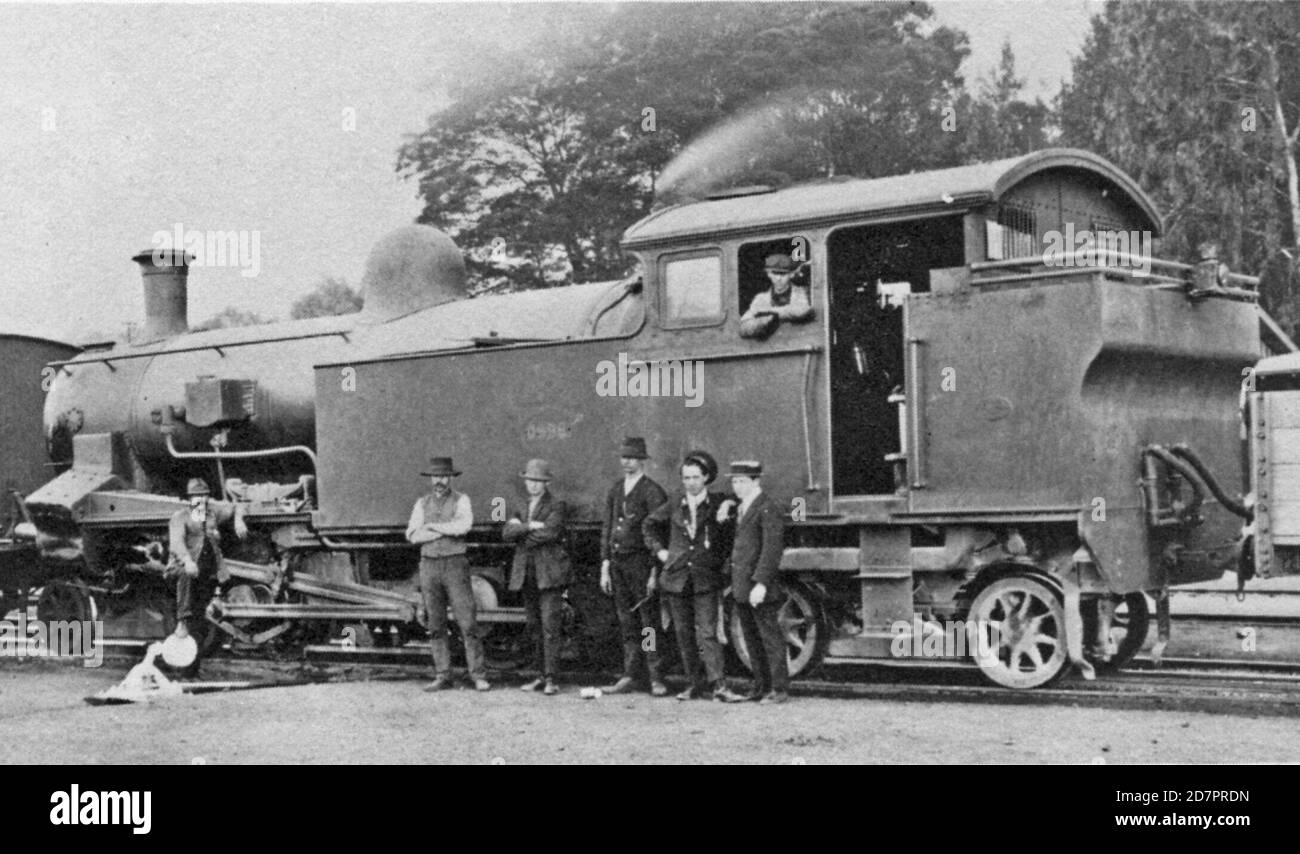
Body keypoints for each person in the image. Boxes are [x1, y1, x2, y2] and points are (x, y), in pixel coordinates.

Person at [643, 451, 747, 702]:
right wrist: (660, 551)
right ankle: (694, 684)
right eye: (686, 477)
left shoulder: (717, 501)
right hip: (676, 579)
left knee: (708, 633)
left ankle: (719, 685)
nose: (690, 482)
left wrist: (729, 504)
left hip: (704, 578)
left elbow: (740, 497)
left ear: (707, 478)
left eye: (696, 477)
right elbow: (649, 524)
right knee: (683, 633)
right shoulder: (674, 503)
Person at [405, 456, 489, 692]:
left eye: (443, 476)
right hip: (429, 566)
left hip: (455, 564)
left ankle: (478, 675)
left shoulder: (462, 500)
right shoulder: (421, 503)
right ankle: (443, 674)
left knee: (468, 622)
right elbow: (412, 534)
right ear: (431, 479)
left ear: (450, 478)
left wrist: (431, 527)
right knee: (436, 623)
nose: (439, 480)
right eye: (435, 476)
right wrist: (442, 531)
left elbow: (463, 526)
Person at [599, 437, 669, 696]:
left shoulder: (652, 491)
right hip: (618, 564)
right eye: (623, 458)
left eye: (632, 458)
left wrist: (653, 571)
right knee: (627, 622)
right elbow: (607, 529)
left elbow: (658, 533)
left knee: (648, 622)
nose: (626, 462)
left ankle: (656, 676)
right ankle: (630, 675)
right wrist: (605, 565)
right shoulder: (616, 489)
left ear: (642, 461)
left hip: (641, 565)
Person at [722, 460, 790, 704]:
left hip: (758, 587)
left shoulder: (767, 508)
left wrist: (760, 583)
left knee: (770, 639)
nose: (737, 486)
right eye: (735, 481)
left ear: (756, 481)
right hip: (743, 587)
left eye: (742, 481)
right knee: (752, 640)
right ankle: (761, 687)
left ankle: (779, 689)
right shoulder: (743, 507)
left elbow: (771, 550)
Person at [167, 477, 248, 676]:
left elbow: (236, 506)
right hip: (187, 572)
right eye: (196, 497)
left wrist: (238, 521)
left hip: (208, 575)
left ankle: (192, 669)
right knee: (187, 619)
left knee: (203, 621)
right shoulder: (180, 517)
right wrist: (187, 560)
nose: (200, 500)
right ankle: (184, 667)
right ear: (189, 499)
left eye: (203, 496)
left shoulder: (213, 514)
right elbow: (176, 542)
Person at [504, 459, 571, 696]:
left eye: (538, 481)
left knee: (551, 627)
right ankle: (539, 675)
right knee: (534, 626)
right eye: (530, 481)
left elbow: (551, 532)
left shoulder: (557, 504)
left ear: (546, 483)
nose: (533, 485)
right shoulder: (519, 505)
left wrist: (522, 531)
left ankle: (552, 677)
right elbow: (506, 533)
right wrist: (531, 525)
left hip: (548, 574)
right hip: (527, 574)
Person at [739, 253, 813, 339]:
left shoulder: (801, 292)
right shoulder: (761, 299)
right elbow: (744, 326)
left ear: (791, 275)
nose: (778, 278)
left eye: (783, 274)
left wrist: (772, 313)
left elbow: (803, 309)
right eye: (775, 273)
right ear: (769, 274)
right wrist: (761, 322)